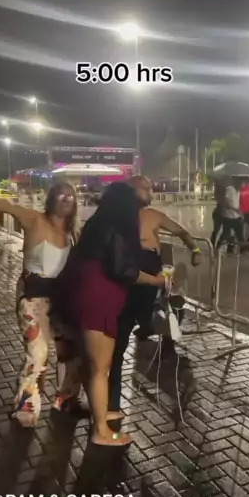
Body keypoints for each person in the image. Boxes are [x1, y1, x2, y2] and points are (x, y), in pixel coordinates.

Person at [54, 182, 167, 446]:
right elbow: (123, 269)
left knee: (92, 364)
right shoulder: (118, 227)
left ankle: (101, 413)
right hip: (99, 299)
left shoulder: (96, 224)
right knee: (99, 368)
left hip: (83, 295)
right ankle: (102, 432)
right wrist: (156, 280)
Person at [0, 181, 84, 428]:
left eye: (71, 196)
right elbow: (4, 205)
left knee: (72, 353)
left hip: (62, 300)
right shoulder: (35, 220)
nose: (66, 199)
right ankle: (25, 409)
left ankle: (66, 400)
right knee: (38, 354)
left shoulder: (73, 233)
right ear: (51, 198)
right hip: (33, 297)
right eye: (61, 195)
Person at [108, 175, 202, 419]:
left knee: (170, 309)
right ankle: (111, 405)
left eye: (151, 188)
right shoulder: (117, 219)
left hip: (148, 278)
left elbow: (182, 232)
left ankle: (163, 342)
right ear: (131, 191)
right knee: (119, 345)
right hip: (131, 281)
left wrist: (196, 249)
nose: (151, 192)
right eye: (146, 188)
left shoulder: (153, 216)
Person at [219, 177, 245, 249]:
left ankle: (242, 249)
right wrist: (236, 209)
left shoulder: (238, 191)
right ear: (238, 182)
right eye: (242, 184)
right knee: (225, 234)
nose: (243, 186)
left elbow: (236, 203)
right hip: (228, 216)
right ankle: (218, 248)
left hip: (237, 216)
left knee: (239, 235)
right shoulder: (230, 189)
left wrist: (240, 210)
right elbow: (226, 202)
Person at [210, 180, 226, 249]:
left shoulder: (226, 189)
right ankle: (214, 246)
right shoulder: (221, 190)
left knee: (226, 231)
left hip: (223, 212)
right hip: (220, 212)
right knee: (217, 231)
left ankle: (216, 246)